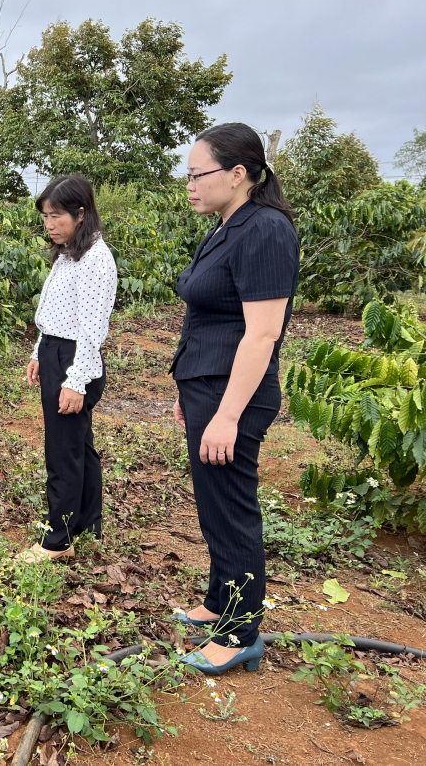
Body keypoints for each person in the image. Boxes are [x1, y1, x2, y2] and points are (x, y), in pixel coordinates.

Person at [171, 124, 299, 675]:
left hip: (234, 394)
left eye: (198, 174)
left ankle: (240, 631)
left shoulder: (265, 230)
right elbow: (206, 314)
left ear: (238, 174)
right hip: (208, 384)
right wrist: (188, 387)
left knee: (231, 509)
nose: (190, 185)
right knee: (213, 504)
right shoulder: (226, 226)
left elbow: (263, 333)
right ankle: (220, 598)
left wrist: (226, 413)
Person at [20, 175, 117, 564]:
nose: (49, 224)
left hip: (76, 359)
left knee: (62, 452)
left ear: (81, 213)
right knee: (80, 446)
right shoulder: (69, 253)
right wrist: (38, 350)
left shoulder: (95, 259)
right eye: (45, 216)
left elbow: (92, 329)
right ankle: (87, 524)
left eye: (56, 216)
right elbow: (57, 315)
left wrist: (76, 380)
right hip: (57, 351)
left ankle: (57, 540)